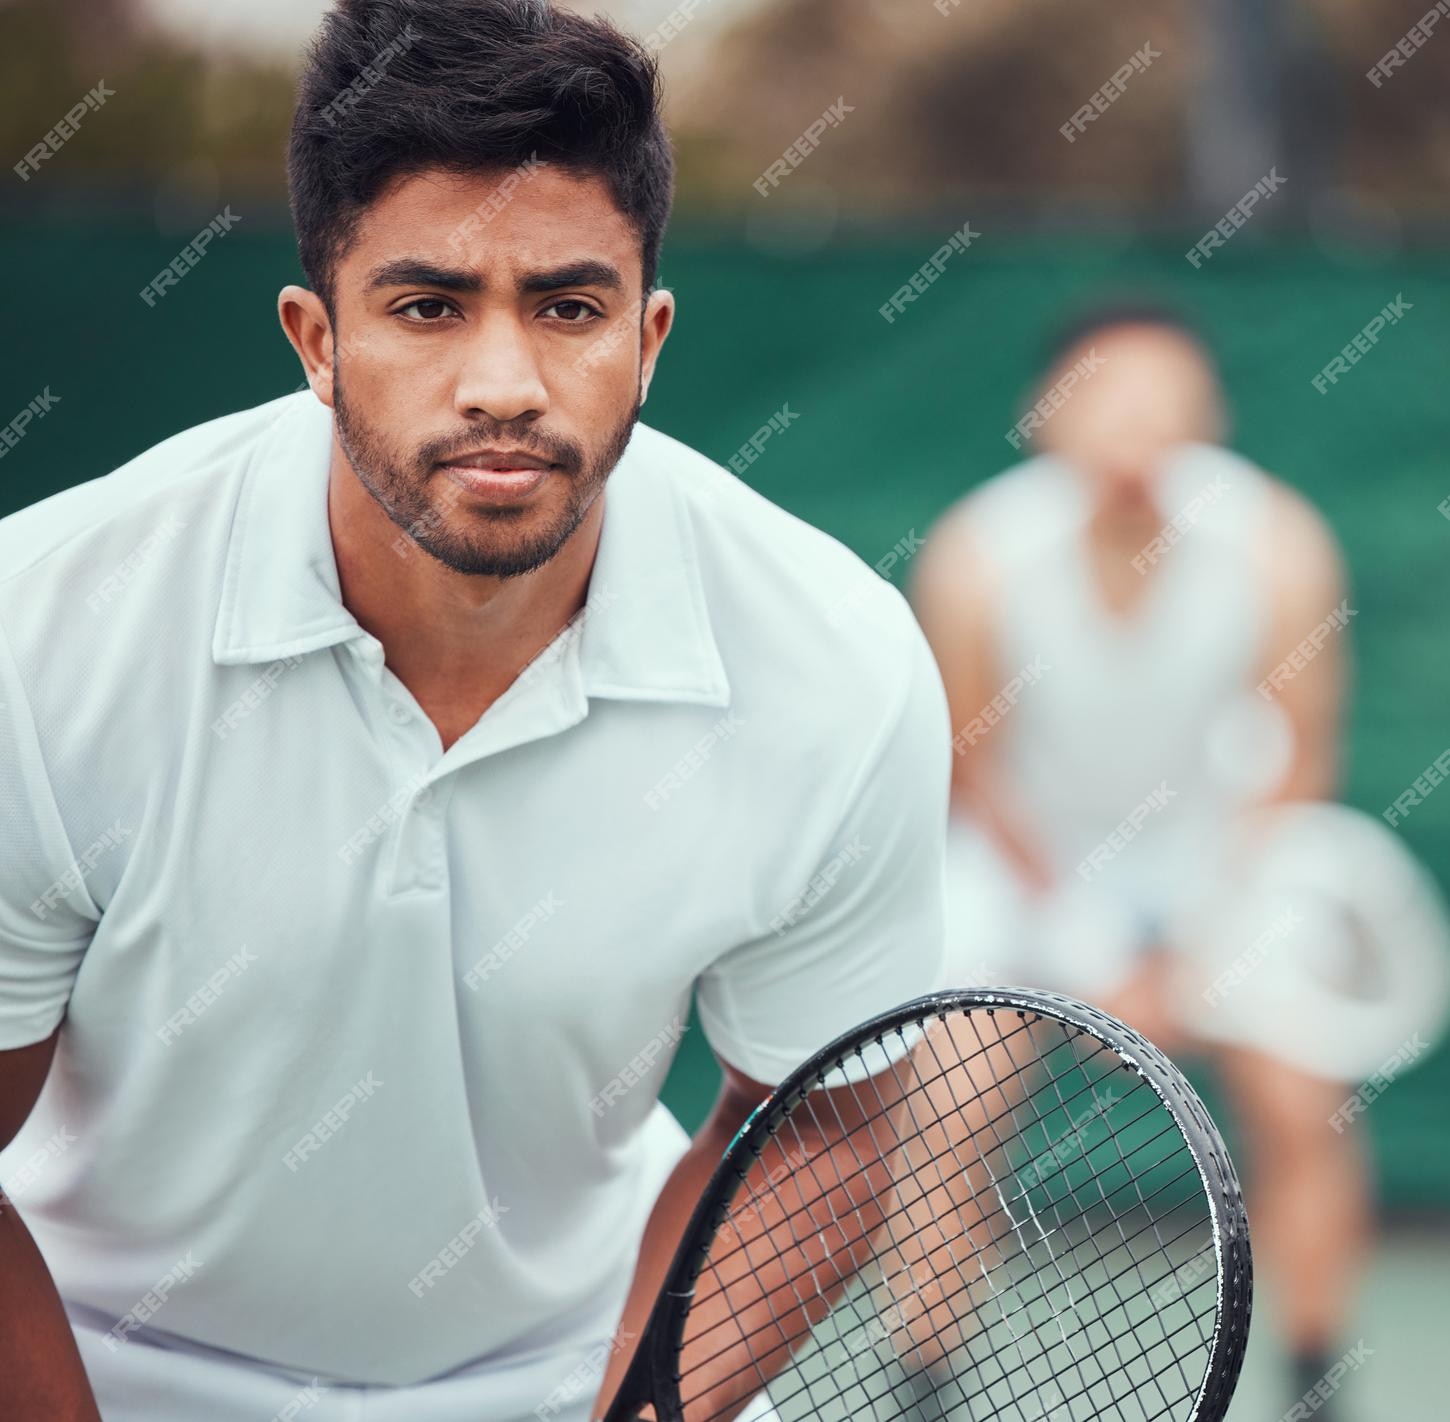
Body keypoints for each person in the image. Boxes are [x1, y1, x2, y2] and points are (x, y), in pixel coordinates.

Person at [0, 3, 948, 1418]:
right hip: (100, 1363)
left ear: (651, 336)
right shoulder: (43, 625)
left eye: (569, 307)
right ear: (317, 340)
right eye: (428, 305)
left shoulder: (838, 663)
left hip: (569, 1381)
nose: (504, 383)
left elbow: (824, 1120)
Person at [912, 303, 1450, 1408]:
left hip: (1223, 861)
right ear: (1043, 419)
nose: (1136, 429)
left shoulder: (1279, 541)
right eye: (1105, 401)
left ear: (1209, 418)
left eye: (1166, 405)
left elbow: (1299, 756)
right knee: (945, 1099)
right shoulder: (976, 554)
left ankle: (1314, 1383)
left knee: (1305, 1100)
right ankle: (920, 1384)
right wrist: (1088, 947)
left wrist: (1187, 947)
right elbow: (968, 772)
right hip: (1021, 864)